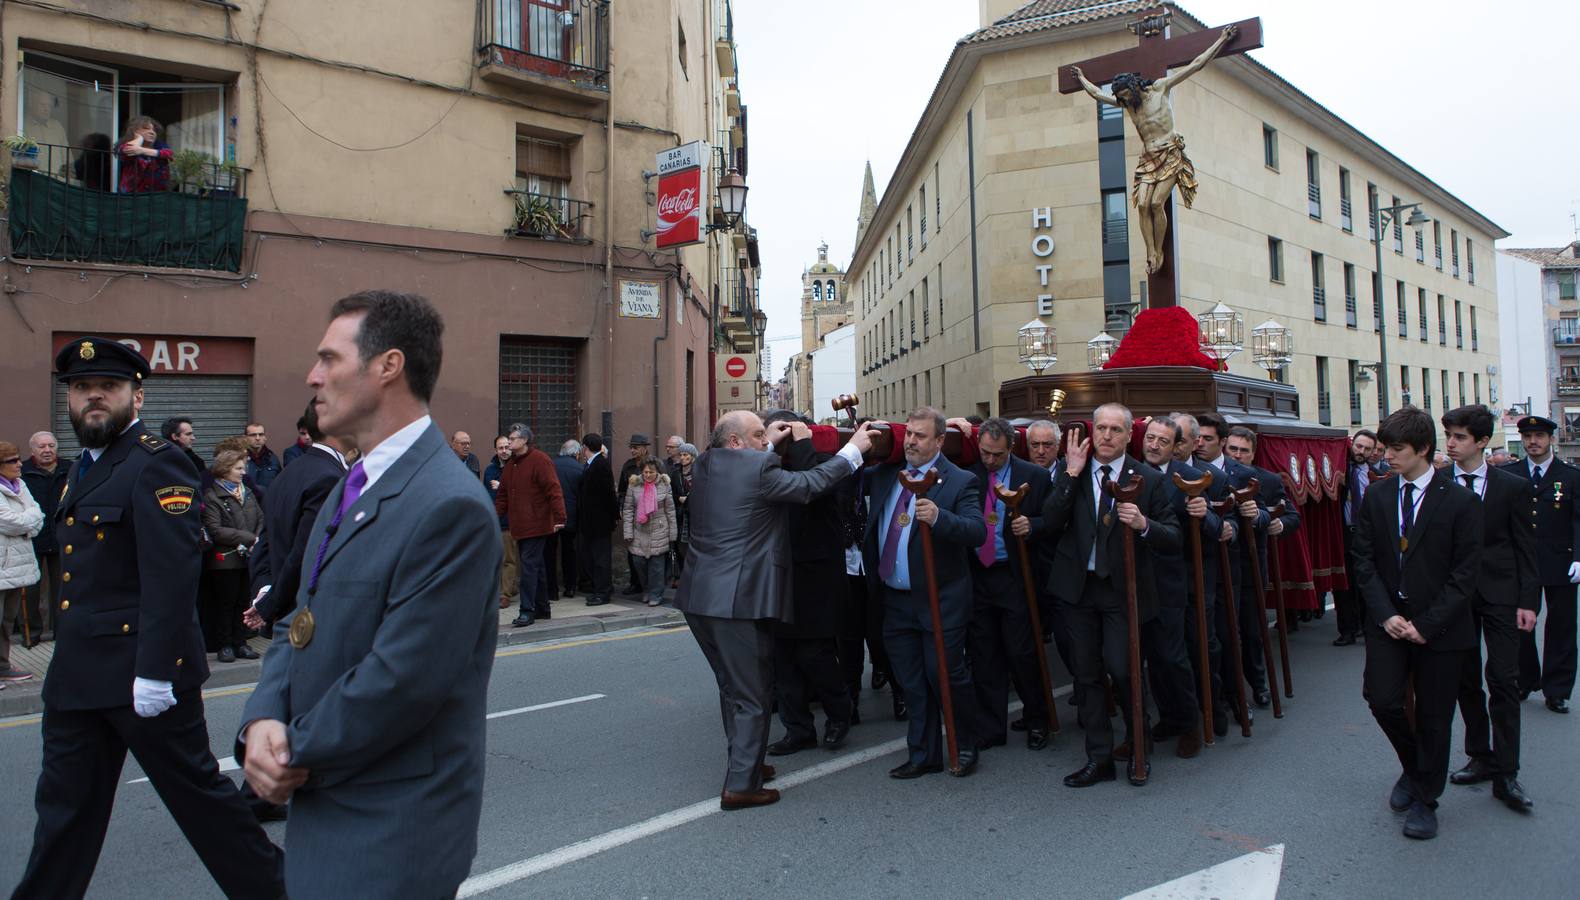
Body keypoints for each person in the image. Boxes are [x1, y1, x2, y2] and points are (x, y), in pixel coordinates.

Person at [238, 290, 499, 897]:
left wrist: (290, 747)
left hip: (392, 824)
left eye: (329, 359)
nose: (312, 376)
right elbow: (295, 624)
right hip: (330, 800)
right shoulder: (350, 484)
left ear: (388, 366)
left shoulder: (450, 504)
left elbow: (404, 679)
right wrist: (261, 718)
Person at [16, 336, 284, 899]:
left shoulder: (157, 465)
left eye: (107, 388)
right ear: (69, 399)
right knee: (63, 816)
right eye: (83, 388)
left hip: (142, 676)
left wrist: (157, 670)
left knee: (203, 806)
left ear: (135, 397)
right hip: (78, 676)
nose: (94, 397)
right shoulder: (80, 470)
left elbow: (170, 575)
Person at [675, 411, 872, 810]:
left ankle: (745, 763)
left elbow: (749, 466)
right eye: (757, 435)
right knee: (752, 694)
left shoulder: (705, 463)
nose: (766, 441)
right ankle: (741, 786)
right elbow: (810, 484)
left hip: (699, 597)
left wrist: (767, 439)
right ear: (735, 443)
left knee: (732, 688)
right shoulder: (758, 468)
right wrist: (853, 451)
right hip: (735, 600)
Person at [1352, 405, 1481, 840]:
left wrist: (1425, 624)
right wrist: (1387, 614)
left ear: (1423, 449)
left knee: (1434, 716)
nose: (1387, 456)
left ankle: (1426, 800)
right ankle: (1415, 767)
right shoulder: (1379, 495)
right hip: (1388, 620)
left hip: (1440, 629)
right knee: (1382, 699)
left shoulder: (1460, 501)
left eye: (1397, 449)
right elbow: (1363, 559)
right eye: (1385, 448)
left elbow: (1465, 574)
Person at [1045, 403, 1180, 787]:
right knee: (1086, 675)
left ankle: (1139, 744)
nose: (1106, 436)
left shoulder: (1147, 479)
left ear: (1128, 436)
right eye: (1100, 428)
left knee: (1122, 669)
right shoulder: (1073, 469)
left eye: (1115, 430)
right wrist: (1069, 474)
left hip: (1124, 591)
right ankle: (1099, 757)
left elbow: (1173, 537)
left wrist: (1143, 524)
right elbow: (1051, 520)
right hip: (1078, 589)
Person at [864, 408, 991, 780]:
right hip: (896, 599)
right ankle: (923, 752)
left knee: (946, 675)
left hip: (941, 598)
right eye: (909, 435)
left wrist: (939, 518)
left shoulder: (959, 481)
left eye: (921, 436)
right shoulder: (888, 474)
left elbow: (976, 531)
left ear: (939, 441)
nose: (911, 442)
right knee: (911, 680)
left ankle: (965, 743)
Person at [1070, 24, 1238, 273]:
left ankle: (1158, 250)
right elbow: (1097, 94)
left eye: (1127, 95)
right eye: (1122, 98)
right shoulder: (1128, 105)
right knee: (1142, 205)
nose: (1125, 101)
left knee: (1157, 203)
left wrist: (1222, 39)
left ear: (1135, 87)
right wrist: (1083, 78)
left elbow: (1196, 64)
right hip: (1148, 158)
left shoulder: (1160, 88)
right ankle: (1150, 250)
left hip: (1170, 153)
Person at [1440, 405, 1538, 812]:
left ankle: (1507, 773)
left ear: (1482, 442)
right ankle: (1479, 754)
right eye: (1448, 435)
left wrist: (1528, 602)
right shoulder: (1439, 483)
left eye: (1460, 437)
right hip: (1455, 597)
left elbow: (1526, 548)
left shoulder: (1511, 486)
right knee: (1464, 681)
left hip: (1501, 594)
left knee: (1503, 679)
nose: (1450, 443)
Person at [950, 416, 1053, 752]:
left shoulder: (1034, 477)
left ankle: (1037, 717)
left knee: (1022, 652)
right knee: (984, 655)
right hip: (979, 575)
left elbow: (1054, 520)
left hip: (1015, 575)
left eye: (996, 454)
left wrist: (1033, 525)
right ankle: (992, 727)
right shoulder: (971, 475)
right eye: (984, 453)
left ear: (1011, 447)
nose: (990, 460)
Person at [763, 410, 855, 755]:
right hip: (779, 578)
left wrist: (803, 444)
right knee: (783, 661)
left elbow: (812, 488)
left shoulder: (822, 462)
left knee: (815, 656)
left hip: (815, 579)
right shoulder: (767, 466)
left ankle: (839, 714)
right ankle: (798, 729)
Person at [1138, 416, 1221, 758]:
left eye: (1162, 441)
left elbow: (1217, 528)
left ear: (1176, 448)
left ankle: (1190, 723)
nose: (1154, 445)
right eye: (1150, 438)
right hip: (1138, 580)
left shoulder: (1193, 478)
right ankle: (1169, 717)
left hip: (1174, 581)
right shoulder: (1130, 474)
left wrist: (1204, 514)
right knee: (1149, 659)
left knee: (1173, 656)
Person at [246, 399, 348, 630]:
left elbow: (266, 541)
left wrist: (264, 589)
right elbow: (306, 552)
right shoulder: (329, 477)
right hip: (310, 615)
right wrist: (271, 603)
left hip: (288, 610)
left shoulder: (290, 472)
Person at [1501, 415, 1580, 714]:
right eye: (1528, 436)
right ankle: (1525, 679)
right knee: (1521, 624)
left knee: (1562, 628)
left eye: (1539, 436)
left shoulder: (1570, 476)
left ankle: (1557, 689)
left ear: (1550, 440)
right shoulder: (1510, 473)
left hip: (1560, 560)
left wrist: (1578, 558)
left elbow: (1578, 519)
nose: (1533, 442)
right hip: (1521, 563)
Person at [1170, 411, 1238, 738]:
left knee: (1203, 643)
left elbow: (1227, 526)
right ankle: (1176, 714)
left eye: (1179, 439)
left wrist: (1207, 516)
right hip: (1162, 574)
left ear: (1194, 442)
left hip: (1200, 572)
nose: (1172, 445)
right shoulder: (1149, 474)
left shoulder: (1214, 478)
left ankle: (1214, 705)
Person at [496, 424, 566, 628]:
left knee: (528, 568)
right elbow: (502, 496)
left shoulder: (540, 460)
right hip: (520, 526)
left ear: (524, 440)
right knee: (537, 568)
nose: (509, 442)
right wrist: (494, 517)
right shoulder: (511, 465)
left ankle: (527, 611)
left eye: (513, 438)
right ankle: (543, 608)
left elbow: (554, 489)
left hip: (537, 525)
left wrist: (560, 517)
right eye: (508, 438)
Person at [202, 449, 263, 663]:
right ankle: (225, 644)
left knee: (243, 602)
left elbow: (260, 518)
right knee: (225, 603)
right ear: (225, 469)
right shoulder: (212, 495)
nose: (243, 472)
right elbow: (215, 529)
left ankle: (241, 642)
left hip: (247, 558)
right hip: (224, 560)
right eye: (238, 468)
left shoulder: (247, 492)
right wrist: (249, 538)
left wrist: (257, 539)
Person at [0, 442, 43, 681]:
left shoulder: (20, 485)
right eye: (12, 461)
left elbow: (38, 515)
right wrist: (27, 523)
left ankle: (3, 667)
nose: (19, 464)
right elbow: (8, 521)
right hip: (2, 565)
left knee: (7, 620)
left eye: (18, 459)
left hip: (18, 566)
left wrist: (26, 523)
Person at [20, 431, 68, 646]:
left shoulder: (70, 469)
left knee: (64, 589)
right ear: (32, 451)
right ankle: (31, 636)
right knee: (29, 592)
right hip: (31, 540)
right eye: (42, 447)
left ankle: (63, 633)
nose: (47, 450)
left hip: (62, 539)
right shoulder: (22, 472)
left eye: (51, 446)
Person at [1335, 429, 1380, 646]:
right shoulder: (1337, 471)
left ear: (1373, 452)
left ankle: (1366, 626)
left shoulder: (1375, 475)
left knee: (1365, 582)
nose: (1361, 451)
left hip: (1366, 535)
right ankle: (1347, 630)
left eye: (1367, 449)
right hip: (1343, 532)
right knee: (1344, 585)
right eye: (1358, 446)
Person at [623, 457, 677, 607]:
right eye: (645, 472)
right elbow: (628, 509)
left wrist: (673, 533)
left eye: (651, 472)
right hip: (639, 530)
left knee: (656, 567)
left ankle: (656, 594)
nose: (647, 475)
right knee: (639, 563)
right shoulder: (634, 485)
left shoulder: (664, 485)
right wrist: (628, 532)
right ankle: (646, 589)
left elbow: (670, 510)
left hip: (659, 529)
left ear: (657, 472)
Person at [578, 433, 617, 606]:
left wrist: (614, 516)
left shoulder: (600, 464)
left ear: (585, 447)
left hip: (600, 522)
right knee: (594, 557)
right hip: (592, 521)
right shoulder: (591, 464)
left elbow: (609, 494)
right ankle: (598, 590)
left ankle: (603, 592)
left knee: (601, 559)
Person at [484, 435, 519, 610]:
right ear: (496, 450)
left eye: (507, 447)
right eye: (500, 448)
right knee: (500, 559)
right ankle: (510, 588)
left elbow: (521, 493)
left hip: (511, 521)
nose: (504, 451)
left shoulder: (517, 467)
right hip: (495, 520)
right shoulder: (490, 470)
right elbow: (487, 494)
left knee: (509, 559)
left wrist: (503, 486)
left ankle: (505, 595)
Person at [549, 438, 583, 601]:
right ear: (577, 454)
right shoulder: (580, 469)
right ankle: (570, 587)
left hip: (551, 517)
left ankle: (551, 590)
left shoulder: (550, 465)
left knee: (549, 552)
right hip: (571, 518)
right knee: (569, 552)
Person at [619, 434, 653, 595]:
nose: (632, 450)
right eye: (631, 447)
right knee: (633, 549)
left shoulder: (654, 464)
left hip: (651, 512)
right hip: (633, 513)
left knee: (652, 549)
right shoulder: (628, 466)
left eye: (636, 447)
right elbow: (622, 491)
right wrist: (622, 508)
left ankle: (650, 584)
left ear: (645, 448)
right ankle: (636, 583)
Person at [114, 116, 173, 194]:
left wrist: (141, 150)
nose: (152, 132)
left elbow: (168, 153)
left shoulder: (159, 145)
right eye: (146, 128)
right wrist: (139, 138)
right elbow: (126, 149)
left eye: (154, 130)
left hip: (157, 196)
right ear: (135, 130)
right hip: (132, 196)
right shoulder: (127, 144)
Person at [671, 442, 697, 584]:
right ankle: (681, 575)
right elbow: (671, 493)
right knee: (680, 546)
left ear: (692, 457)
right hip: (680, 514)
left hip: (694, 514)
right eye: (681, 455)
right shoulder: (676, 473)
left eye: (685, 455)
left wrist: (689, 498)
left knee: (693, 546)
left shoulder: (698, 472)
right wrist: (678, 498)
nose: (682, 457)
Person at [244, 422, 283, 489]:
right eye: (253, 435)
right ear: (245, 438)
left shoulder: (272, 459)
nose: (258, 438)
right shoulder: (240, 459)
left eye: (261, 434)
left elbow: (280, 484)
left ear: (265, 437)